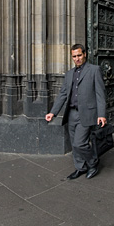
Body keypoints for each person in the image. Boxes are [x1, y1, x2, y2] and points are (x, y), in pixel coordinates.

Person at [46, 44, 107, 179]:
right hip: (71, 113)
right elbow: (63, 94)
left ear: (85, 54)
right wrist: (53, 112)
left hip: (86, 113)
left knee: (80, 143)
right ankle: (81, 167)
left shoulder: (94, 70)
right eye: (74, 56)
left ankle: (93, 163)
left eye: (79, 55)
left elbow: (100, 94)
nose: (77, 58)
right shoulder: (69, 74)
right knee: (74, 144)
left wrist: (102, 114)